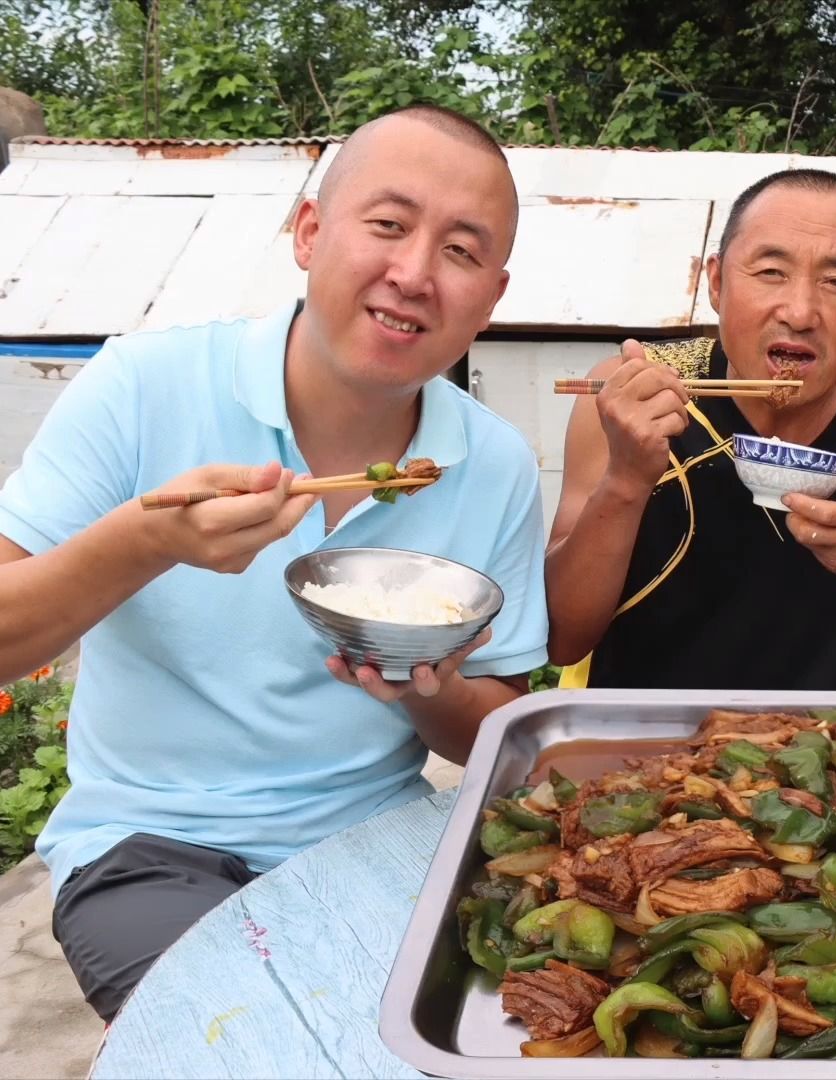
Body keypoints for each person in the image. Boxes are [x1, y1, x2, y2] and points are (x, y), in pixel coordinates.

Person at [0, 104, 548, 1020]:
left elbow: (495, 730)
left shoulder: (492, 463)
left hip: (375, 836)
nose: (413, 273)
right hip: (148, 845)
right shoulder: (144, 385)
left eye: (460, 250)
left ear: (491, 296)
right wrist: (148, 540)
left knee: (494, 1023)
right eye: (388, 224)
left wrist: (423, 685)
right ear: (308, 232)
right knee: (241, 1034)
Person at [545, 169, 836, 690]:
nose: (799, 311)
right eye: (770, 272)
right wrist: (627, 479)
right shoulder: (631, 396)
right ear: (716, 282)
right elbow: (563, 637)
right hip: (644, 751)